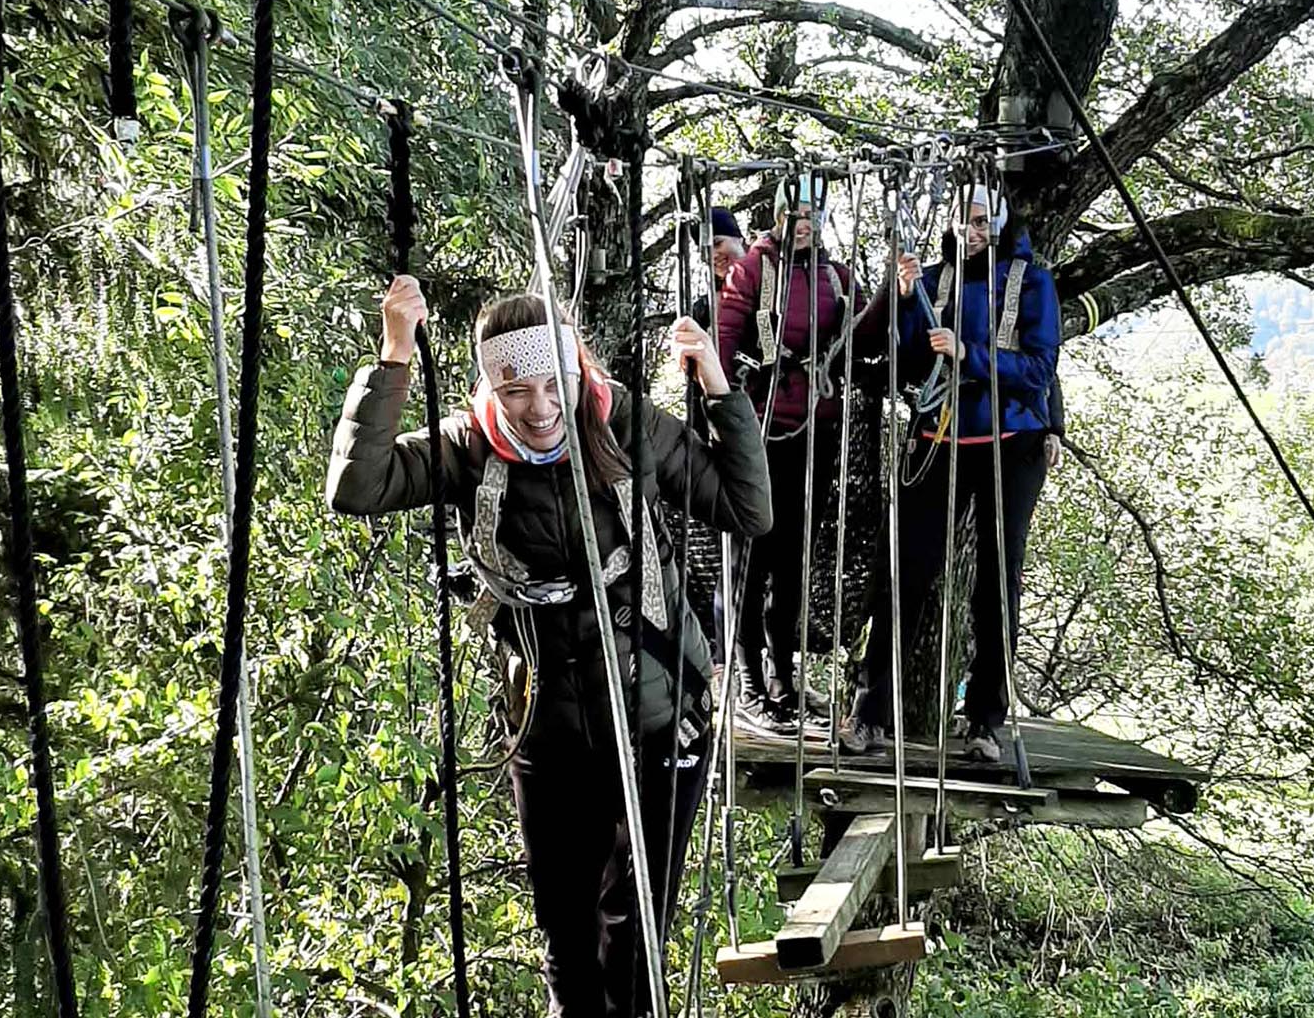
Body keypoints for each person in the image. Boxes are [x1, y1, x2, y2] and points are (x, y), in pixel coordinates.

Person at [326, 278, 772, 1017]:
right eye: (515, 389)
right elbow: (357, 486)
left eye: (552, 384)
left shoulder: (622, 423)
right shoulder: (470, 447)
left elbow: (745, 508)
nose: (537, 408)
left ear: (579, 372)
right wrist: (395, 355)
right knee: (565, 933)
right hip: (549, 728)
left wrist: (720, 390)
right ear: (489, 386)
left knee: (634, 936)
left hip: (661, 715)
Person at [847, 187, 1060, 761]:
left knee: (997, 582)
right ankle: (872, 711)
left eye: (984, 220)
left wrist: (969, 355)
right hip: (939, 434)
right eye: (966, 220)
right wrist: (904, 298)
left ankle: (985, 721)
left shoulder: (1031, 282)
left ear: (1001, 221)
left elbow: (1040, 368)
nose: (974, 230)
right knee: (905, 573)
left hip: (1010, 439)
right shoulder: (936, 278)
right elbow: (913, 360)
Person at [714, 176, 874, 735]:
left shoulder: (833, 274)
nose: (805, 222)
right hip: (762, 427)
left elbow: (864, 328)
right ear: (781, 216)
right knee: (753, 555)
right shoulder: (753, 269)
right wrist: (730, 390)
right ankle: (748, 680)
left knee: (794, 554)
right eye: (797, 213)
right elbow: (725, 335)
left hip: (816, 427)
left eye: (813, 213)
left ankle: (782, 671)